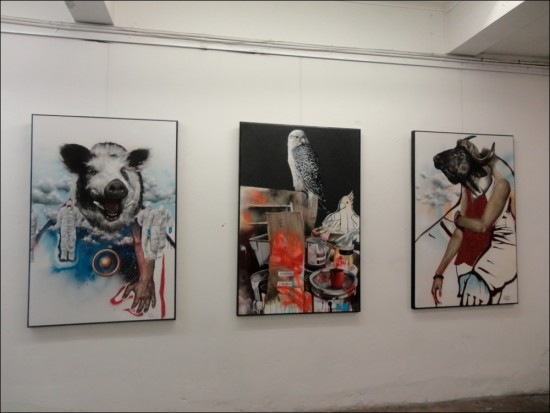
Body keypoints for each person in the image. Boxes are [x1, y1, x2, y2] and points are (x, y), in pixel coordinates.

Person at [431, 136, 516, 306]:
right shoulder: (467, 191)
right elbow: (459, 235)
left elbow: (482, 226)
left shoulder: (501, 186)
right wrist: (439, 273)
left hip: (500, 254)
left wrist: (459, 219)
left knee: (475, 291)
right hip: (471, 261)